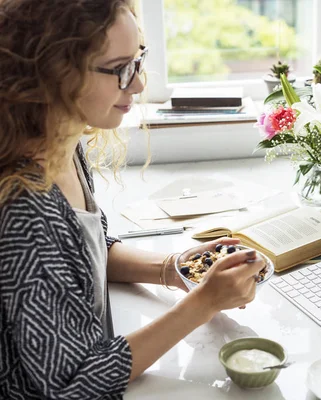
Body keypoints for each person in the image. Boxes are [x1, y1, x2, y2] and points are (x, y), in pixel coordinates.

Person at [0, 1, 265, 398]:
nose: (139, 84)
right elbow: (71, 383)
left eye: (139, 60)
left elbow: (82, 257)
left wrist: (173, 268)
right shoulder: (24, 209)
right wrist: (204, 304)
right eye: (121, 68)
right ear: (56, 73)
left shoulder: (62, 144)